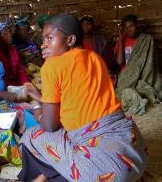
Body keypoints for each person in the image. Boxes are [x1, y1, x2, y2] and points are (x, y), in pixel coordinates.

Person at [18, 13, 147, 182]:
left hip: (107, 172)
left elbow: (50, 125)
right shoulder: (94, 58)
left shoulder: (52, 65)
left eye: (49, 39)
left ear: (70, 40)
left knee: (31, 136)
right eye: (43, 40)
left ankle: (42, 177)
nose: (43, 45)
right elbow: (74, 102)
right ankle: (45, 176)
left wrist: (36, 106)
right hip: (135, 156)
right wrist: (41, 97)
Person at [115, 14, 162, 115]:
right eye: (126, 28)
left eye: (131, 26)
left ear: (137, 25)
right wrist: (120, 40)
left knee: (142, 92)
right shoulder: (122, 41)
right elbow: (119, 62)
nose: (130, 30)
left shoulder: (146, 39)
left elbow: (151, 64)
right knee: (125, 94)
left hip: (143, 78)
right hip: (127, 78)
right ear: (123, 29)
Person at [0, 22, 29, 86]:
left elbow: (19, 69)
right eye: (5, 34)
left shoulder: (12, 49)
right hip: (0, 86)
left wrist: (25, 83)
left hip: (14, 83)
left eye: (10, 32)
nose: (10, 35)